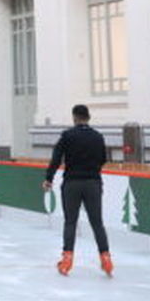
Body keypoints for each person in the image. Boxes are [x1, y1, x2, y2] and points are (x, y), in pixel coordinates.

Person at [43, 104, 113, 277]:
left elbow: (56, 158)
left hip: (72, 183)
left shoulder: (67, 136)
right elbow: (103, 159)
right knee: (97, 222)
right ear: (89, 117)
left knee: (70, 222)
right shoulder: (98, 137)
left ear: (74, 117)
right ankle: (106, 258)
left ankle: (67, 260)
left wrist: (49, 178)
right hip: (93, 183)